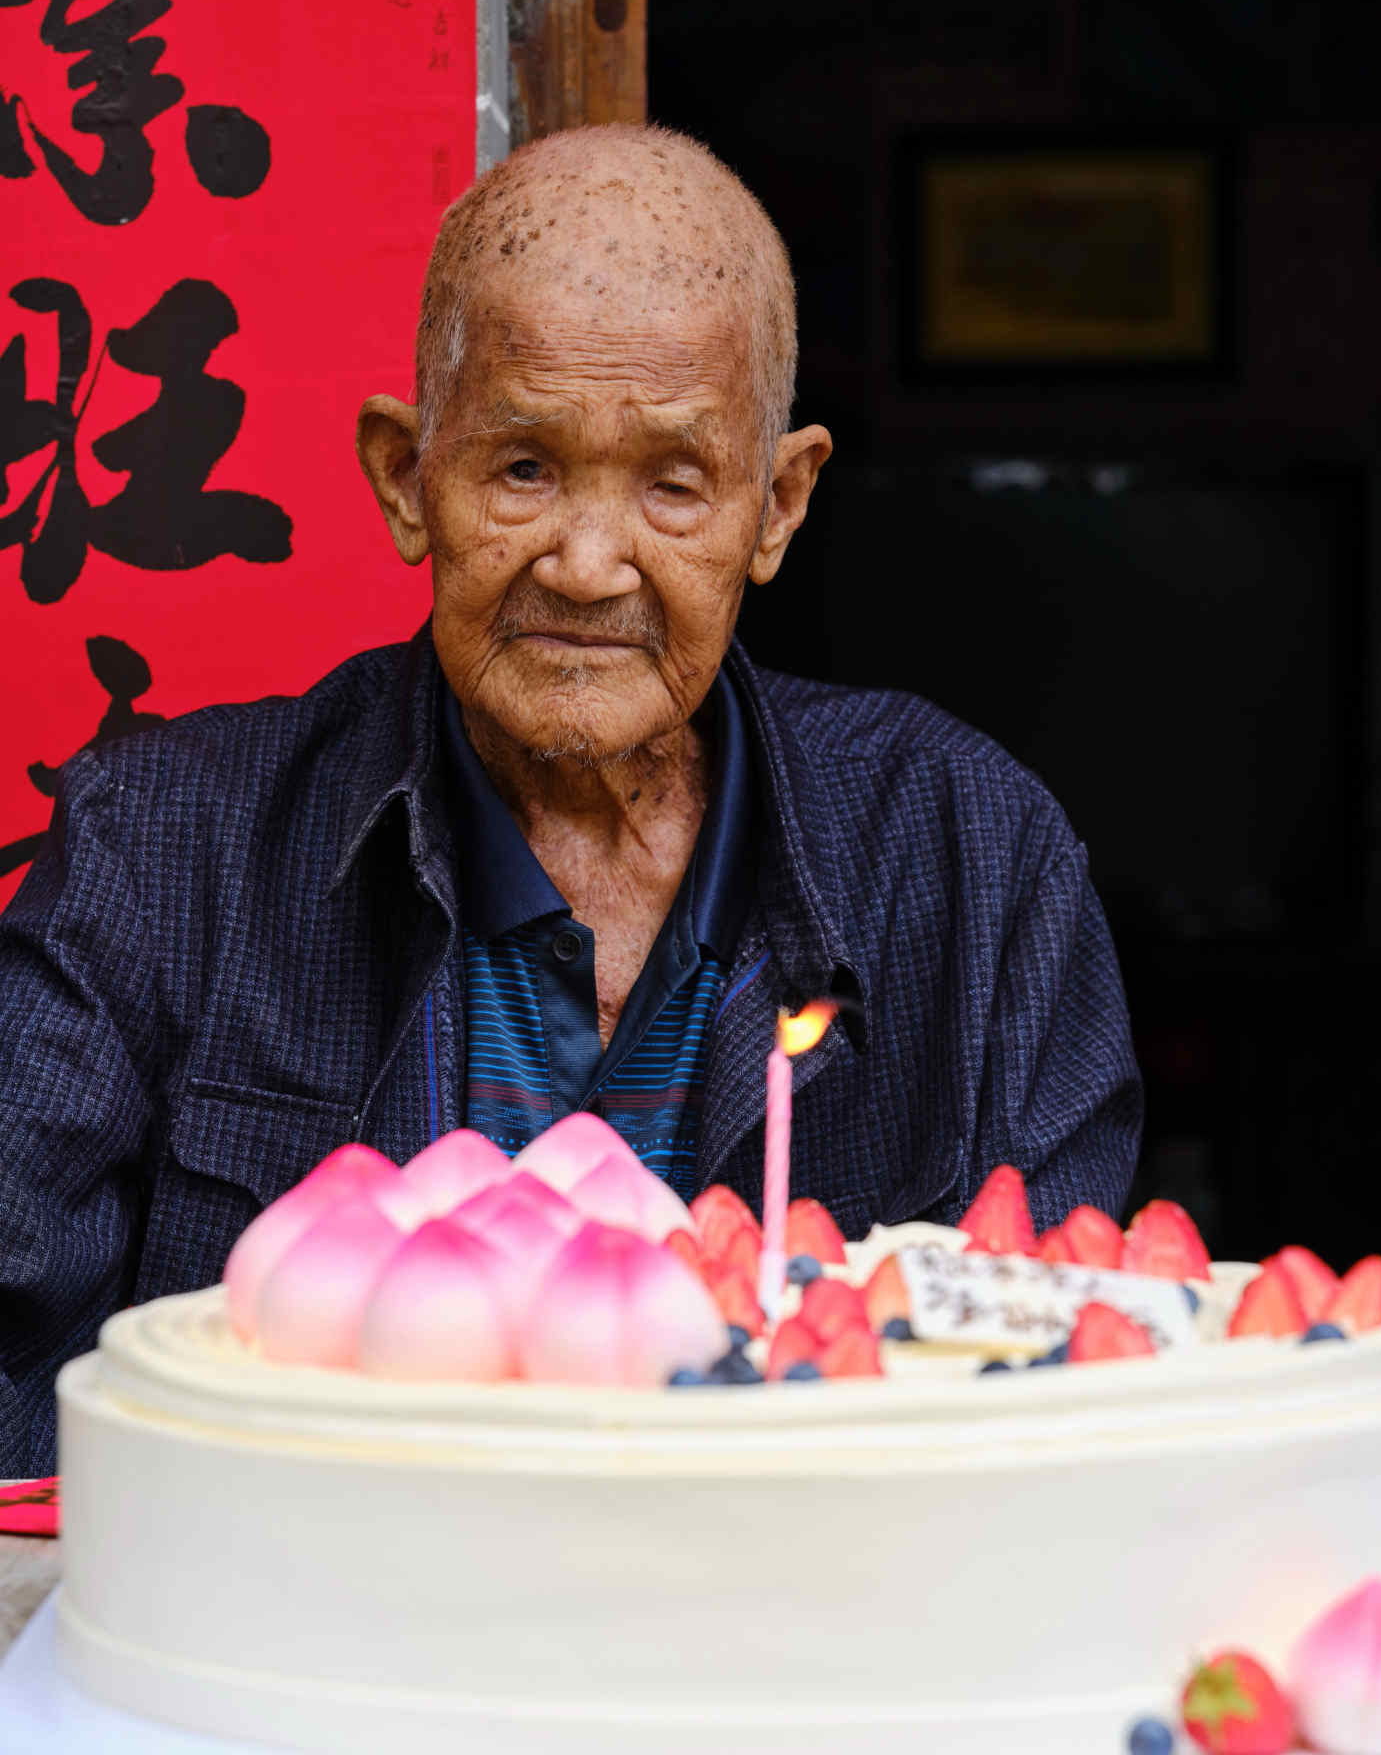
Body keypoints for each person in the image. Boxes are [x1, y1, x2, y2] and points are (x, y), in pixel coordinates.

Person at [0, 125, 1140, 1474]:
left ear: (777, 506)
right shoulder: (162, 852)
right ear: (406, 479)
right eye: (524, 468)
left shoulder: (969, 857)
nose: (588, 567)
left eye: (673, 483)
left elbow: (1069, 1417)